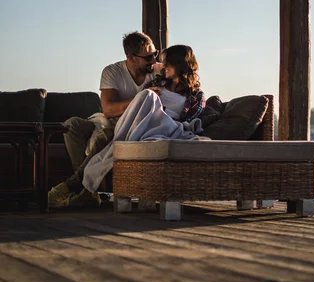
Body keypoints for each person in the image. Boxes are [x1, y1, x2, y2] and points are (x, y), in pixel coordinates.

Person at [52, 45, 207, 208]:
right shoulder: (157, 84)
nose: (163, 66)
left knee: (112, 136)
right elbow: (141, 106)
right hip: (140, 123)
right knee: (145, 97)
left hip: (164, 126)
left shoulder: (196, 96)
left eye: (166, 63)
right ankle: (84, 189)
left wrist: (160, 112)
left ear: (179, 64)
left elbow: (187, 121)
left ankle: (78, 186)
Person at [48, 31, 162, 208]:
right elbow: (108, 110)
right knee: (72, 125)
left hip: (128, 126)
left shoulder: (158, 72)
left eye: (155, 53)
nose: (154, 60)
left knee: (105, 134)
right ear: (131, 58)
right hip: (108, 120)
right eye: (148, 57)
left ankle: (81, 188)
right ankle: (87, 188)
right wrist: (143, 97)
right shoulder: (113, 71)